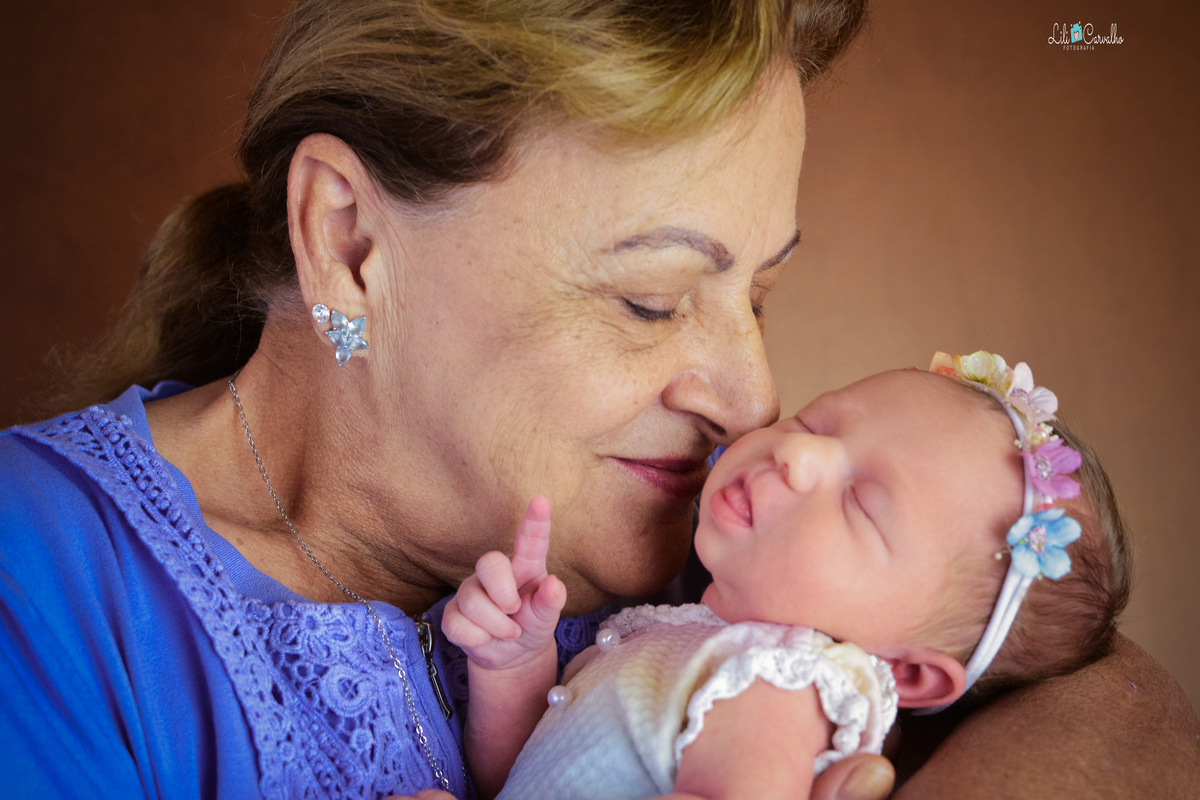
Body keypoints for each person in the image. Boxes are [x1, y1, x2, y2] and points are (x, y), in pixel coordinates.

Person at [1, 0, 1196, 798]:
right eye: (650, 300)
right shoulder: (41, 582)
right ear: (350, 241)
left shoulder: (737, 557)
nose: (754, 397)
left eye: (761, 294)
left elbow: (1074, 660)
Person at [441, 354, 1131, 799]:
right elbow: (530, 776)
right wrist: (515, 664)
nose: (798, 455)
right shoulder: (698, 641)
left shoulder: (785, 687)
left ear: (909, 673)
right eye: (818, 418)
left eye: (860, 503)